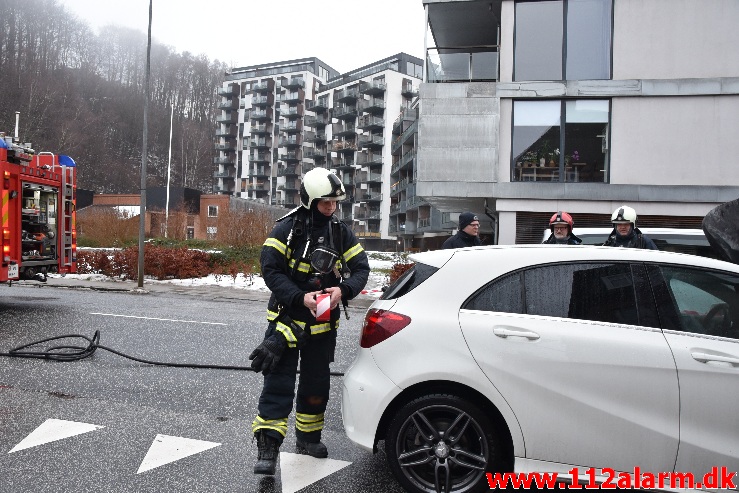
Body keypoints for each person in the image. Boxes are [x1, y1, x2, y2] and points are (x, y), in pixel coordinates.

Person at [248, 168, 370, 476]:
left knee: (317, 384)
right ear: (309, 200)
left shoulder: (341, 232)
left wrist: (343, 290)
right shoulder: (286, 230)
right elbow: (271, 271)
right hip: (287, 319)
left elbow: (361, 269)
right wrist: (298, 297)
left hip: (324, 321)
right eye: (325, 203)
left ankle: (308, 437)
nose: (331, 208)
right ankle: (268, 447)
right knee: (278, 382)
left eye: (334, 203)